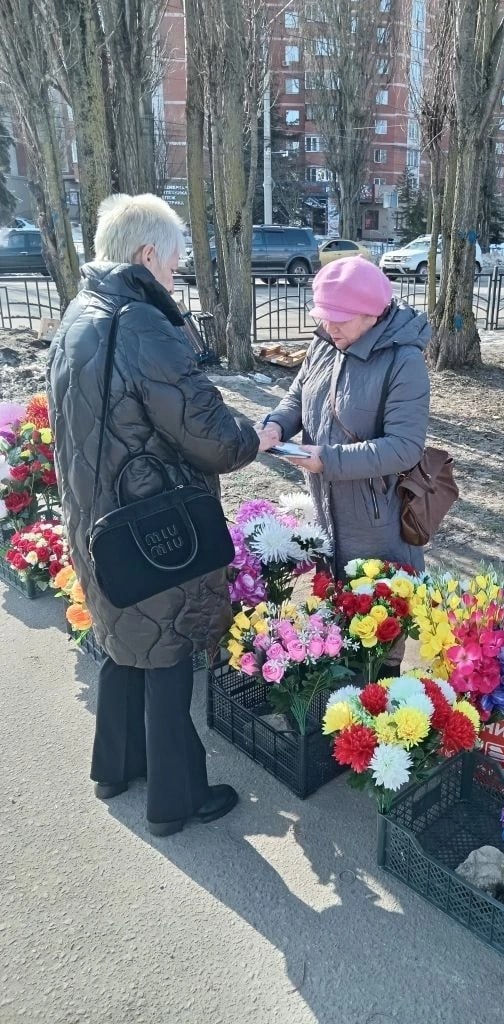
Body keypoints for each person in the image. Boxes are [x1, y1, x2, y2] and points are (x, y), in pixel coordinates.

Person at [47, 193, 264, 837]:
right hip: (153, 523)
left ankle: (114, 767)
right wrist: (258, 437)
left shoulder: (82, 311)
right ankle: (177, 800)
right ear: (147, 256)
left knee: (123, 640)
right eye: (174, 263)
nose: (176, 275)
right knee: (166, 650)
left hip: (99, 515)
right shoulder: (143, 323)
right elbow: (213, 439)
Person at [259, 256, 430, 678]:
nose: (330, 327)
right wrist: (276, 425)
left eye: (340, 319)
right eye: (325, 317)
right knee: (338, 620)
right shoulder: (325, 344)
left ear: (372, 313)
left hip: (380, 521)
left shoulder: (403, 361)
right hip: (327, 506)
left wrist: (328, 460)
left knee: (379, 631)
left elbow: (405, 447)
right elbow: (298, 398)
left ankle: (383, 718)